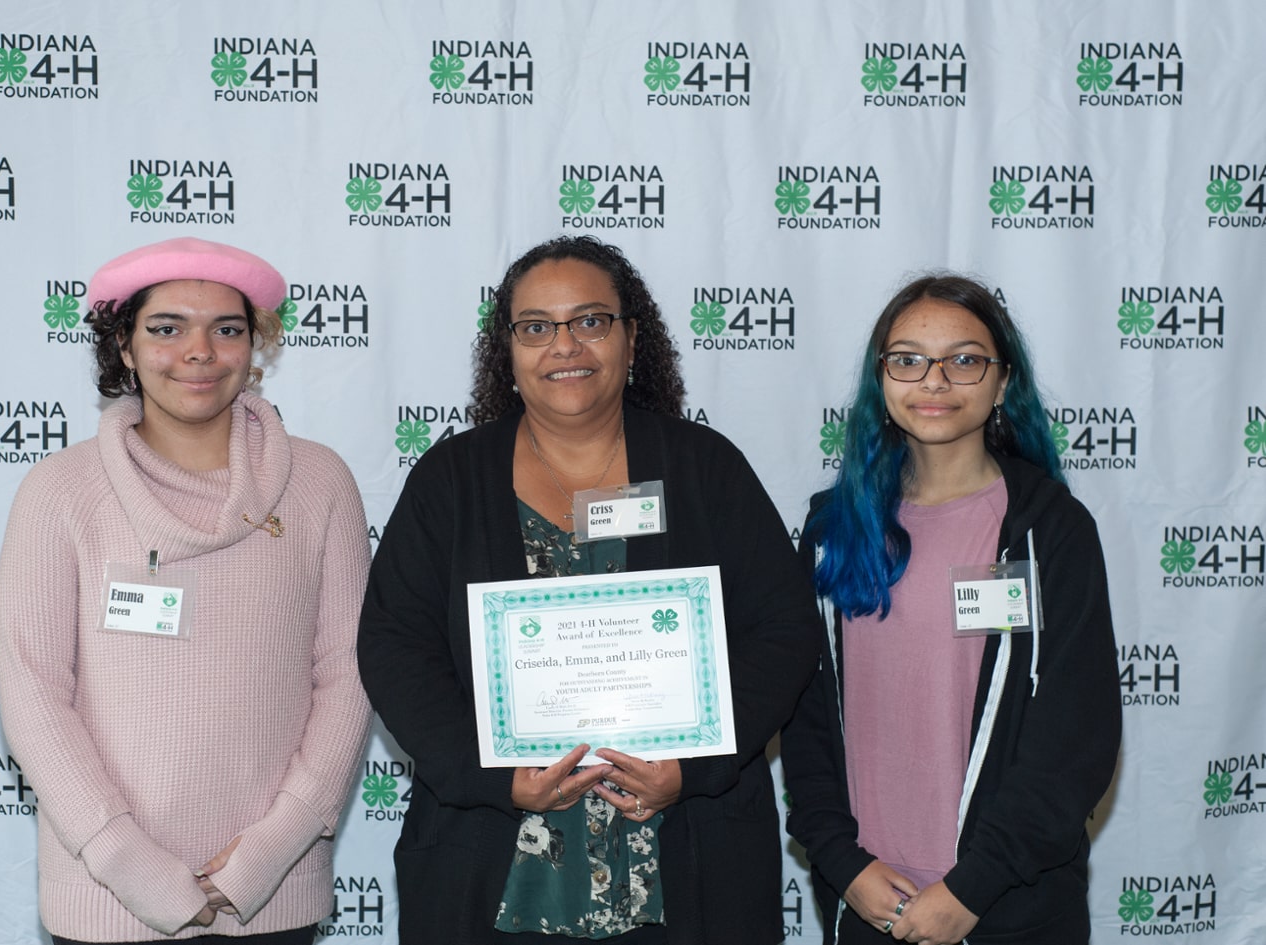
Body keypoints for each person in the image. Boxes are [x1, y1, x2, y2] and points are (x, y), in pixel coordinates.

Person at [357, 235, 821, 944]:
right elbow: (395, 647)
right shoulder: (450, 481)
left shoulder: (704, 468)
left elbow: (784, 631)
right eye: (537, 327)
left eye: (591, 320)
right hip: (494, 868)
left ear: (632, 339)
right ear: (507, 350)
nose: (564, 345)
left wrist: (691, 767)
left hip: (687, 865)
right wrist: (494, 773)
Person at [0, 237, 372, 945]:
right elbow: (33, 694)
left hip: (272, 893)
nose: (198, 351)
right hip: (107, 899)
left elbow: (348, 675)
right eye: (166, 328)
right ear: (125, 347)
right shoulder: (59, 492)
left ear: (254, 346)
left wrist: (266, 853)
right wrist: (131, 864)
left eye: (226, 329)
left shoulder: (321, 484)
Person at [781, 275, 1121, 945]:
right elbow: (806, 717)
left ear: (1002, 383)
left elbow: (1075, 738)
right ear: (880, 380)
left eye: (964, 360)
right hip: (870, 898)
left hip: (1005, 903)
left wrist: (972, 886)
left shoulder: (1049, 530)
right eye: (907, 359)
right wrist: (847, 866)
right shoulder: (833, 530)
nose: (934, 380)